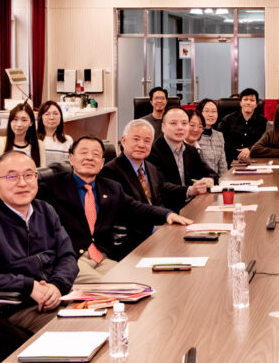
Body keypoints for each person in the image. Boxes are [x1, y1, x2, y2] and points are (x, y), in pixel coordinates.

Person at [0, 149, 81, 355]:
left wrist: (57, 285)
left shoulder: (45, 211)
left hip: (51, 298)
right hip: (11, 308)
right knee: (77, 332)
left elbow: (67, 256)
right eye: (12, 177)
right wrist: (28, 285)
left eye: (29, 175)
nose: (22, 183)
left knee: (106, 317)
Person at [43, 134, 188, 265]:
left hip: (104, 256)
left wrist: (167, 214)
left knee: (134, 279)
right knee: (111, 284)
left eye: (95, 154)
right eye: (84, 153)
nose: (90, 158)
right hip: (71, 259)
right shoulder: (52, 186)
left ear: (102, 162)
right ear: (71, 159)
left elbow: (136, 208)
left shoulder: (111, 188)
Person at [106, 117, 187, 212]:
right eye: (136, 139)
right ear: (123, 141)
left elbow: (160, 201)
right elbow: (123, 209)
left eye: (147, 141)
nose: (141, 145)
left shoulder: (152, 168)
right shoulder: (110, 172)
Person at [155, 106, 220, 198]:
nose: (180, 127)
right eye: (173, 123)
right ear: (163, 127)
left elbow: (211, 173)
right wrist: (190, 190)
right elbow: (159, 185)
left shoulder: (191, 150)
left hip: (192, 203)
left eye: (184, 123)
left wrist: (210, 179)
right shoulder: (153, 151)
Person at [220, 88, 270, 159]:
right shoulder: (227, 120)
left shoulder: (263, 121)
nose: (248, 103)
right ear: (240, 103)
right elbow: (220, 140)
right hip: (230, 159)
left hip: (254, 159)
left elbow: (265, 142)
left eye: (252, 100)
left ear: (256, 104)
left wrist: (250, 149)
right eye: (245, 99)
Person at [191, 98, 233, 177]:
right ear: (199, 113)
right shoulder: (194, 135)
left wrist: (223, 181)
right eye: (206, 111)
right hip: (200, 181)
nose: (211, 115)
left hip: (217, 181)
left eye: (214, 111)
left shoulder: (219, 135)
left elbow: (222, 165)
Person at [36, 101, 73, 167]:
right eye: (47, 114)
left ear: (60, 117)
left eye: (55, 114)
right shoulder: (34, 139)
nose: (52, 117)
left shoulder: (68, 140)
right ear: (41, 117)